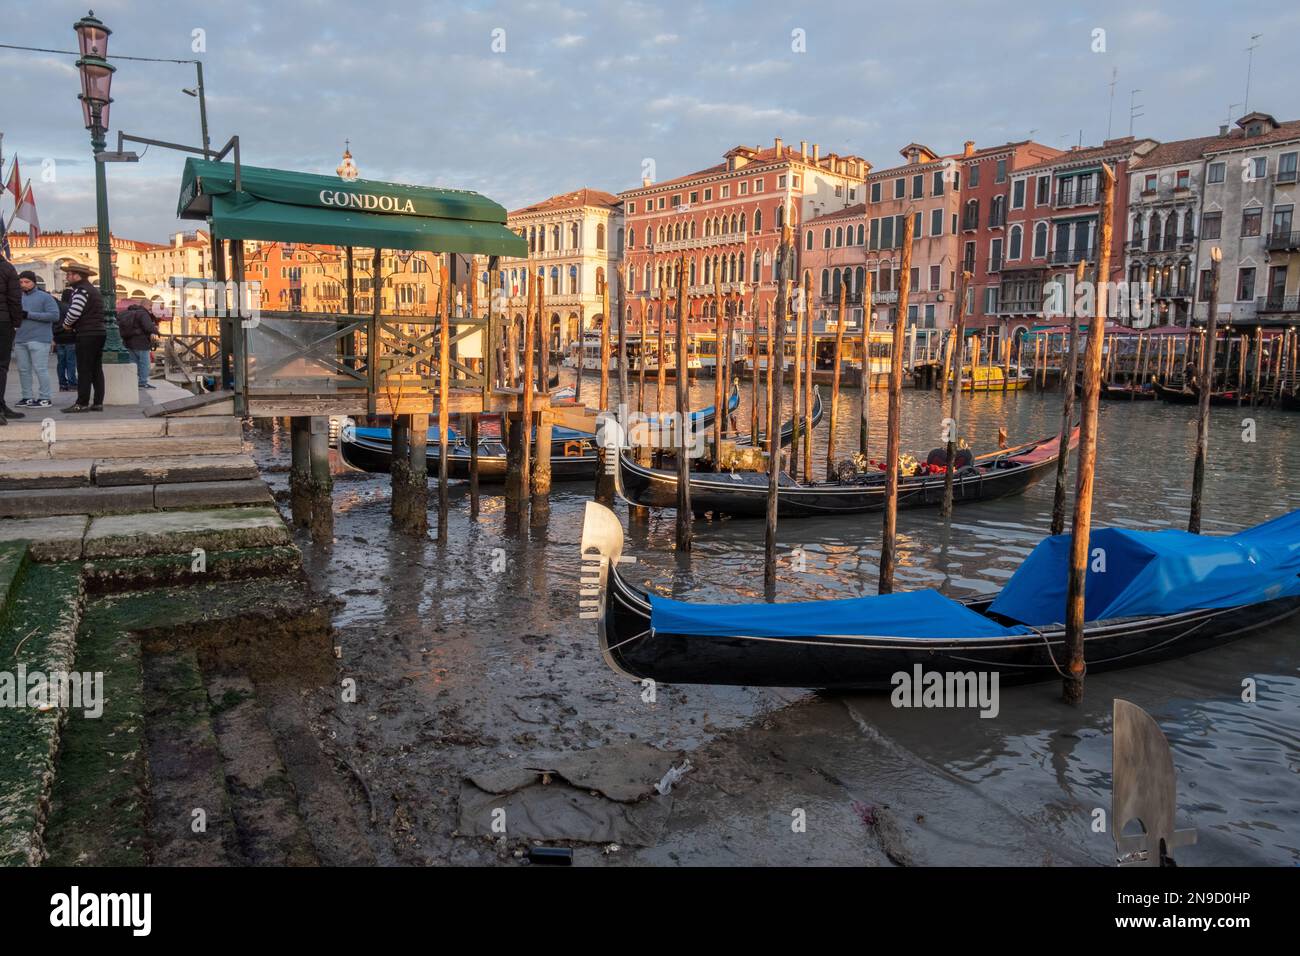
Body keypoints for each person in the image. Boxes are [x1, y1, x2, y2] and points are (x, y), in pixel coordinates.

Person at [60, 262, 106, 413]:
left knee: (84, 369)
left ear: (77, 275)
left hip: (87, 333)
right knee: (96, 369)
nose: (67, 276)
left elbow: (74, 312)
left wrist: (66, 325)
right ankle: (98, 403)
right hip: (99, 332)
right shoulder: (93, 290)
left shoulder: (81, 290)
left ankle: (82, 403)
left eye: (69, 274)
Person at [14, 271, 57, 407]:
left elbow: (54, 316)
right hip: (20, 338)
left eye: (27, 282)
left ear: (34, 282)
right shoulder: (17, 297)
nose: (23, 285)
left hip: (39, 339)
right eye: (21, 282)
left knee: (40, 369)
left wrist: (29, 315)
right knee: (23, 370)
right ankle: (27, 397)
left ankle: (45, 397)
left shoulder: (45, 297)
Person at [0, 253, 26, 424]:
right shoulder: (7, 268)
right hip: (2, 322)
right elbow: (14, 298)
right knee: (1, 365)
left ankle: (1, 405)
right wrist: (16, 322)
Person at [117, 299, 159, 389]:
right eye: (150, 306)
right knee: (145, 364)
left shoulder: (129, 312)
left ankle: (133, 381)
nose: (151, 308)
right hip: (141, 343)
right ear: (147, 305)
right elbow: (148, 327)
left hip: (128, 342)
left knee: (133, 363)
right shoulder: (143, 313)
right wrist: (156, 331)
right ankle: (142, 383)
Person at [54, 287, 78, 391]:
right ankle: (72, 383)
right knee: (71, 362)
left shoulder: (56, 307)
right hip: (70, 338)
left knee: (61, 363)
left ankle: (62, 384)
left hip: (58, 338)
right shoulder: (70, 307)